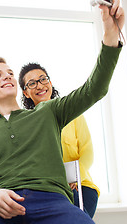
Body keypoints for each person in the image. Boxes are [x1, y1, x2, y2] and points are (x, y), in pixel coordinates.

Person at [0, 0, 124, 224]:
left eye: (10, 73)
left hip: (54, 204)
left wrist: (110, 36)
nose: (7, 76)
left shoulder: (48, 111)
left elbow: (94, 89)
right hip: (2, 205)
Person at [18, 63, 99, 218]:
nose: (39, 85)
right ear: (26, 93)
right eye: (32, 83)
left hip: (81, 187)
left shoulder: (74, 113)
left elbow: (87, 152)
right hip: (49, 190)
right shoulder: (25, 124)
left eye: (43, 79)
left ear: (50, 83)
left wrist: (74, 179)